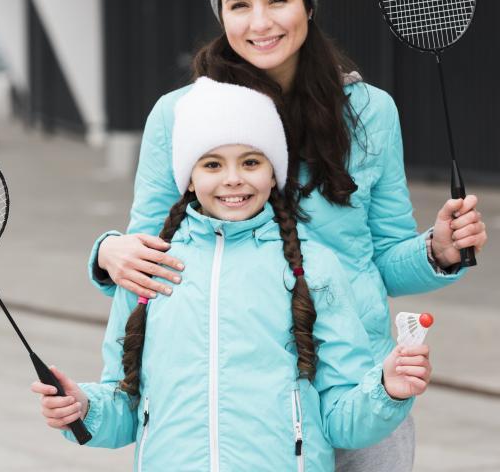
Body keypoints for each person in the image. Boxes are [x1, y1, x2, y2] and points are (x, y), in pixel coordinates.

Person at [89, 0, 487, 471]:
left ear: (308, 3)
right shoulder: (179, 114)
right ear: (220, 14)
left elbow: (383, 263)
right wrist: (109, 252)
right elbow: (149, 254)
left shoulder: (370, 112)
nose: (260, 23)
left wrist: (439, 250)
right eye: (238, 5)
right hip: (247, 401)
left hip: (361, 381)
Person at [32, 78, 432, 471]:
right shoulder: (149, 267)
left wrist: (386, 390)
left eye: (251, 162)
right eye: (212, 164)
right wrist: (82, 408)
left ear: (273, 172)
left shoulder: (314, 268)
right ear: (188, 177)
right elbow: (124, 408)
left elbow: (341, 418)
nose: (233, 178)